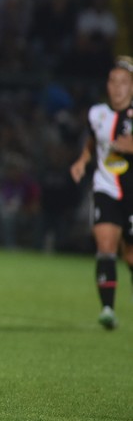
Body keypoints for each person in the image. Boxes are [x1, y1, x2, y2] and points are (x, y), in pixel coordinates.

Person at [70, 56, 133, 330]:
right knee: (105, 245)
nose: (117, 87)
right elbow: (93, 140)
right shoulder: (96, 114)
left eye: (124, 82)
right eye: (113, 81)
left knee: (130, 256)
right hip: (105, 187)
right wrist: (82, 161)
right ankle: (107, 309)